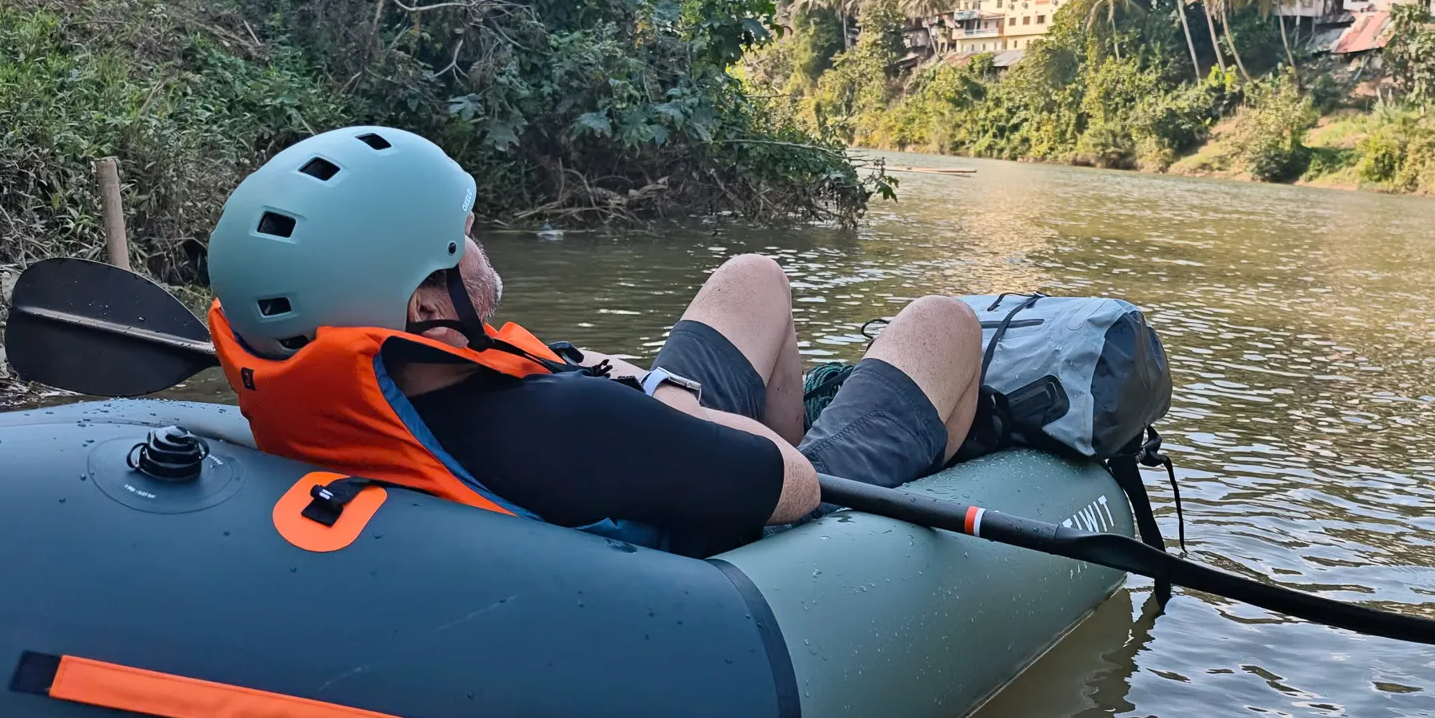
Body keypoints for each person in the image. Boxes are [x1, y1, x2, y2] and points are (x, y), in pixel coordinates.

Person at [204, 124, 984, 554]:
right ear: (426, 311)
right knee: (943, 322)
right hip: (743, 498)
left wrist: (593, 374)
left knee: (755, 276)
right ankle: (862, 504)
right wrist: (655, 392)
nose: (481, 249)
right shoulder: (583, 426)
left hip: (600, 451)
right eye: (461, 243)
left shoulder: (340, 401)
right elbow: (796, 484)